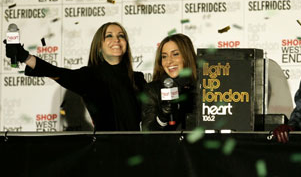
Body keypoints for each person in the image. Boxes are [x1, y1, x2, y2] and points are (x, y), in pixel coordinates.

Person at [5, 22, 146, 131]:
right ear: (99, 46)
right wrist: (25, 56)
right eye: (109, 35)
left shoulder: (138, 79)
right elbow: (56, 72)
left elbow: (151, 117)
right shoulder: (89, 77)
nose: (116, 39)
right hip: (105, 153)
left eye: (121, 36)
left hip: (135, 152)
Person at [141, 33, 197, 131]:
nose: (169, 61)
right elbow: (148, 133)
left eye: (175, 54)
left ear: (187, 55)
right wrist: (161, 118)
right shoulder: (152, 90)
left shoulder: (203, 86)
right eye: (164, 56)